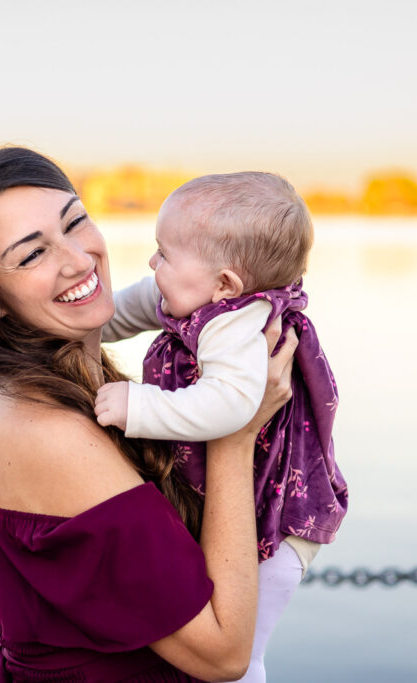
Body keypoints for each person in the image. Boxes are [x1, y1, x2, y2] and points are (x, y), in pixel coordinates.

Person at [0, 148, 298, 682]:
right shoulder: (50, 433)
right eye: (32, 256)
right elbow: (223, 655)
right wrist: (237, 435)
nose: (78, 260)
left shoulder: (79, 384)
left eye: (75, 222)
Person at [94, 173, 349, 682]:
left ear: (226, 284)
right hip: (252, 494)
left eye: (164, 254)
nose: (152, 262)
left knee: (243, 650)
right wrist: (82, 325)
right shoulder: (198, 293)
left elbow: (231, 405)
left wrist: (138, 405)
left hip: (284, 522)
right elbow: (129, 308)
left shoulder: (237, 322)